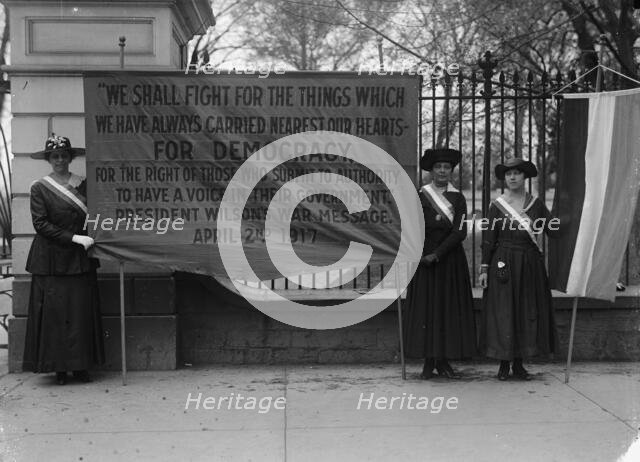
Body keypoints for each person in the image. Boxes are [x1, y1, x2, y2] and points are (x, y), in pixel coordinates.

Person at [23, 134, 105, 384]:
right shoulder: (39, 188)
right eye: (55, 156)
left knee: (80, 313)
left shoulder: (83, 185)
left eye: (64, 155)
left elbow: (97, 215)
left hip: (79, 259)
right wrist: (74, 238)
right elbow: (41, 224)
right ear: (49, 159)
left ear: (71, 158)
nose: (60, 160)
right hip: (50, 259)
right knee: (55, 315)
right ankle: (58, 369)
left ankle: (81, 367)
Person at [479, 157, 558, 381]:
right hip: (503, 261)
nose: (512, 177)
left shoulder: (536, 204)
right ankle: (504, 364)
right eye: (508, 174)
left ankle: (520, 364)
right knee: (504, 312)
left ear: (525, 176)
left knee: (525, 311)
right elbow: (488, 239)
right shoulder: (497, 206)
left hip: (529, 262)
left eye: (517, 173)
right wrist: (484, 268)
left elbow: (553, 230)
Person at [404, 148, 477, 379]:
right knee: (427, 310)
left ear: (451, 171)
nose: (442, 171)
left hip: (449, 260)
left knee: (446, 310)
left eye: (447, 167)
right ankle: (428, 361)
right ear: (431, 171)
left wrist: (438, 254)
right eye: (438, 167)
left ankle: (444, 361)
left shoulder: (458, 198)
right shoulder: (420, 195)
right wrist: (424, 253)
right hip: (424, 260)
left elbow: (460, 231)